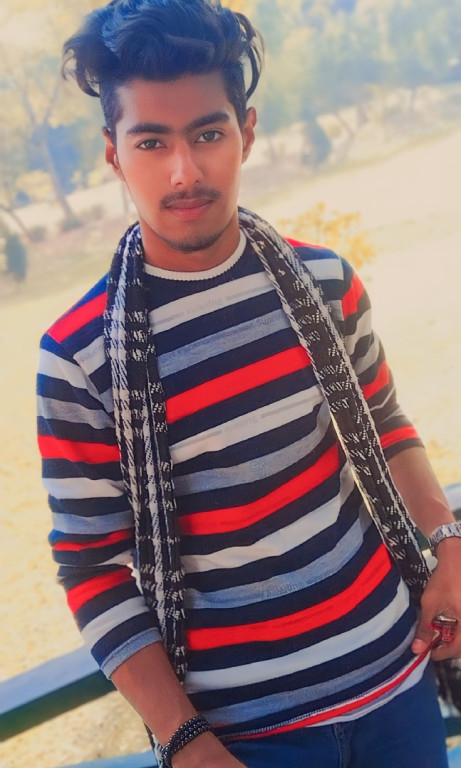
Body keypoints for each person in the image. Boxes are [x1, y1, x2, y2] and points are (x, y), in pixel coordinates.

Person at [37, 1, 461, 766]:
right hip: (244, 737)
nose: (184, 171)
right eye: (151, 141)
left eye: (207, 134)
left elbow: (385, 423)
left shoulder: (325, 284)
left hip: (395, 680)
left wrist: (448, 542)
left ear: (247, 132)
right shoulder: (78, 356)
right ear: (113, 154)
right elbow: (92, 569)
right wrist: (185, 740)